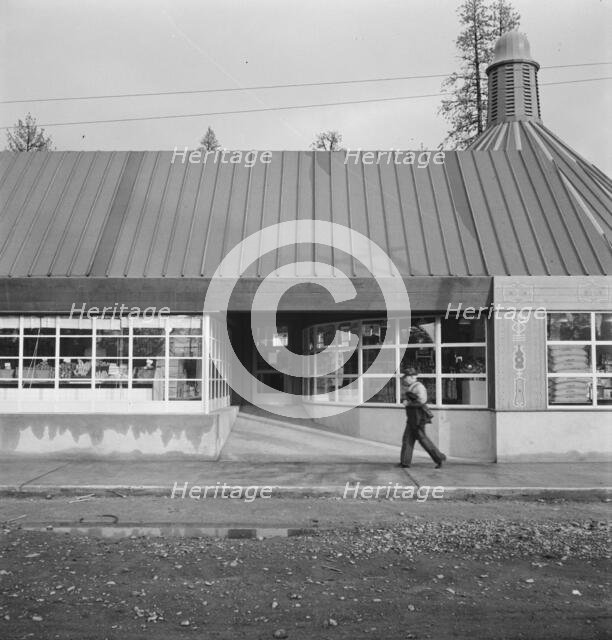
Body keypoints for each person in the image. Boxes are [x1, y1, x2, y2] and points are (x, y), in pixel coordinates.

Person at [398, 367, 446, 469]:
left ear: (412, 377)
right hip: (412, 418)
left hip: (418, 419)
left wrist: (408, 403)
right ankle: (405, 462)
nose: (405, 379)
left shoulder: (419, 387)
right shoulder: (412, 387)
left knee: (423, 440)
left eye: (406, 377)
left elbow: (422, 401)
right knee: (407, 439)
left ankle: (439, 458)